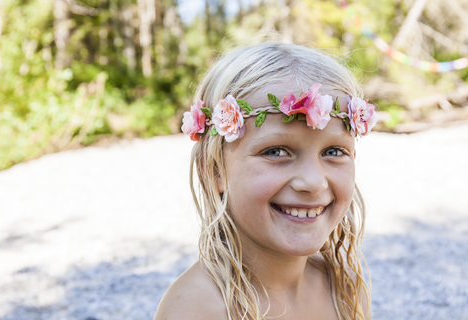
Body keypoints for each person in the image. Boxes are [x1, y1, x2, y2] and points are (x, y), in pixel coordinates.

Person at [154, 42, 377, 320]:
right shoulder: (197, 309)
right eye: (275, 152)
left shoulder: (345, 289)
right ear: (214, 171)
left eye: (333, 152)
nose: (313, 182)